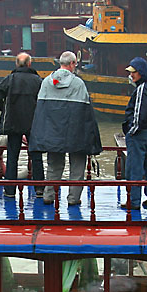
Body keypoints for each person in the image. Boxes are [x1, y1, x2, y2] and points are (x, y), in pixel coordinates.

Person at [30, 51, 102, 206]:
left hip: (53, 134)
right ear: (72, 64)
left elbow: (40, 113)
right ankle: (73, 199)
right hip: (75, 134)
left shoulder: (46, 82)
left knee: (54, 165)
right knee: (77, 166)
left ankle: (49, 195)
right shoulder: (78, 84)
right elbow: (86, 113)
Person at [0, 52, 45, 198]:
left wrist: (5, 108)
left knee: (12, 156)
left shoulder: (10, 79)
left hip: (13, 123)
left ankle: (10, 190)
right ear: (29, 64)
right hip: (34, 123)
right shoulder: (38, 81)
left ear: (16, 64)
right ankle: (39, 189)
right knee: (36, 155)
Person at [121, 57, 147, 209]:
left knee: (134, 168)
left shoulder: (142, 88)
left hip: (140, 134)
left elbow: (138, 114)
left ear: (141, 73)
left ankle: (134, 201)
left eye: (134, 72)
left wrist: (131, 131)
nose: (131, 75)